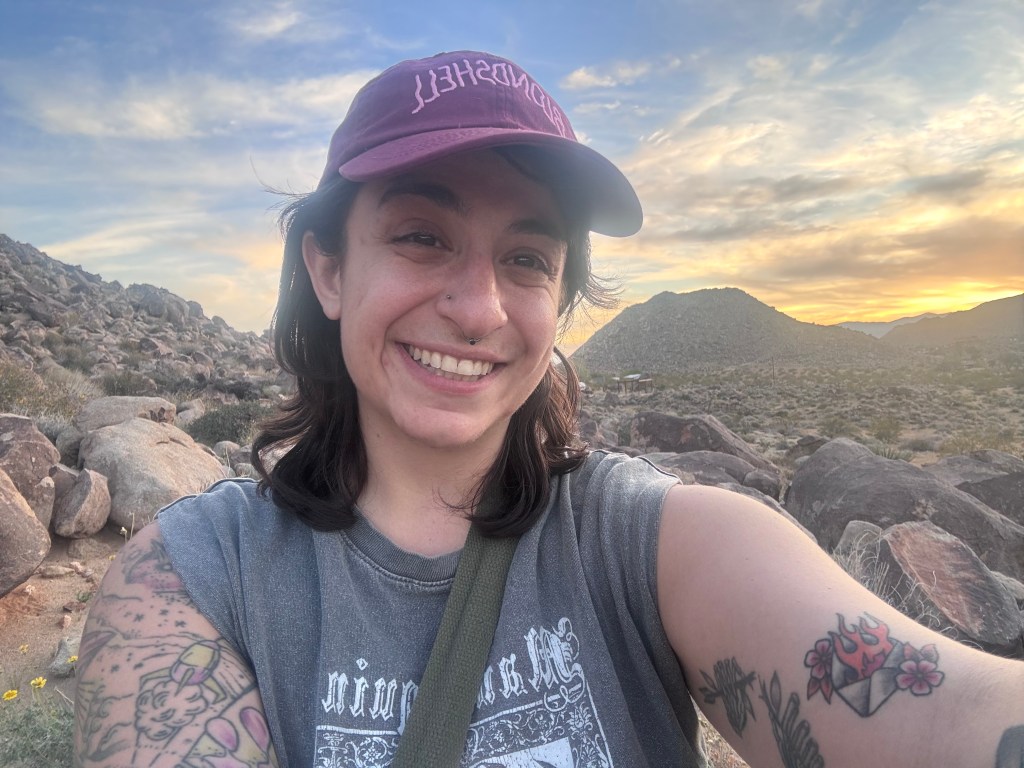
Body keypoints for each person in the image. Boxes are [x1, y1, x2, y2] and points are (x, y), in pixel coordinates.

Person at [74, 50, 1024, 768]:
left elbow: (946, 713)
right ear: (328, 266)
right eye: (421, 235)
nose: (481, 307)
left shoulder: (650, 542)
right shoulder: (197, 579)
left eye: (527, 258)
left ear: (559, 302)